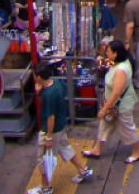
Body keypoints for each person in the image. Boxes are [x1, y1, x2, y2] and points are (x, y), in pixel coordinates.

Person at [29, 64, 92, 194]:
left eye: (34, 76)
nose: (33, 78)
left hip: (51, 130)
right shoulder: (56, 83)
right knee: (64, 147)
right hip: (61, 125)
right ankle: (81, 169)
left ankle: (45, 187)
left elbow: (50, 117)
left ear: (39, 77)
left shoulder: (48, 95)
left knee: (42, 159)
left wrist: (48, 137)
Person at [82, 40, 139, 163]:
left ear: (115, 54)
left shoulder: (121, 70)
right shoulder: (121, 62)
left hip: (121, 105)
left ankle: (137, 151)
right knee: (105, 126)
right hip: (113, 105)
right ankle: (97, 149)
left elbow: (116, 93)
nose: (106, 53)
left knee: (127, 127)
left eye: (108, 51)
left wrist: (103, 110)